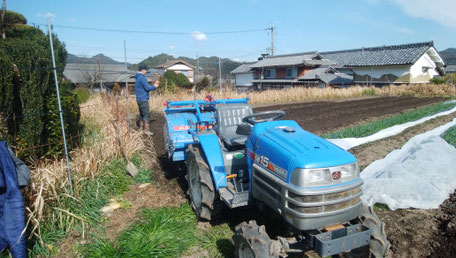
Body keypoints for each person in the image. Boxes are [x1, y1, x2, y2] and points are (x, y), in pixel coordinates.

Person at [135, 64, 159, 135]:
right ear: (143, 70)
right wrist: (155, 86)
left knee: (142, 114)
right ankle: (146, 130)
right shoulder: (142, 78)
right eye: (146, 70)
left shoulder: (137, 77)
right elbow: (147, 88)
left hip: (139, 99)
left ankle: (141, 127)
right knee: (146, 114)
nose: (147, 71)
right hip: (143, 99)